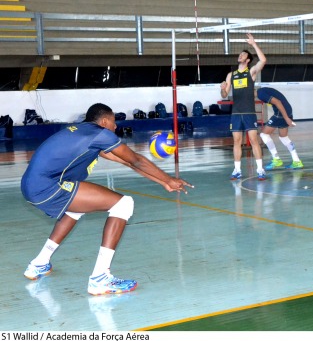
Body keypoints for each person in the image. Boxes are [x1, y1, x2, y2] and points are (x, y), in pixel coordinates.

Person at [21, 103, 192, 295]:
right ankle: (100, 279)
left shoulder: (85, 134)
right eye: (113, 121)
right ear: (104, 121)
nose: (115, 126)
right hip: (47, 187)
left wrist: (164, 182)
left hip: (31, 186)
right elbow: (136, 159)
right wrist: (169, 178)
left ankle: (39, 263)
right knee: (124, 204)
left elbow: (129, 162)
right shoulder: (100, 134)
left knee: (75, 209)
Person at [220, 33, 268, 181]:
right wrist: (222, 88)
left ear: (247, 60)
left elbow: (263, 60)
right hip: (236, 113)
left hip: (249, 112)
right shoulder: (231, 75)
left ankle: (260, 170)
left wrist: (253, 44)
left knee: (254, 140)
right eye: (240, 54)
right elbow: (224, 95)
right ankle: (237, 170)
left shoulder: (251, 72)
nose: (240, 56)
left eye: (243, 55)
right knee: (236, 141)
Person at [256, 86, 303, 170]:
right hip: (287, 110)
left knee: (264, 134)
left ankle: (276, 159)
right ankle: (297, 161)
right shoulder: (263, 90)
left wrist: (286, 118)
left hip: (281, 113)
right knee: (283, 137)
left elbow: (277, 102)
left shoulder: (260, 94)